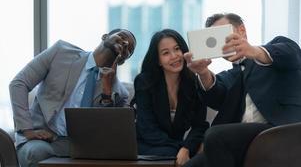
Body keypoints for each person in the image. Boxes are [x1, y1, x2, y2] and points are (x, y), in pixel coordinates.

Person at [183, 13, 301, 167]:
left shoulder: (273, 51)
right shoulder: (232, 75)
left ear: (242, 31)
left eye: (223, 34)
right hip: (240, 141)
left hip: (280, 129)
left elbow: (292, 55)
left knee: (215, 135)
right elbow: (215, 96)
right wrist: (203, 72)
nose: (222, 42)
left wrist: (254, 52)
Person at [9, 29, 136, 167]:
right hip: (43, 139)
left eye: (129, 48)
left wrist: (107, 92)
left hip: (81, 147)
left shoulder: (119, 93)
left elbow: (108, 135)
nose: (125, 43)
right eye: (122, 37)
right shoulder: (60, 52)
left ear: (123, 60)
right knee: (35, 153)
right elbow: (19, 83)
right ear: (105, 37)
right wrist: (27, 130)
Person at [132, 29, 209, 166]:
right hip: (147, 144)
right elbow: (147, 128)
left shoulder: (193, 83)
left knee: (204, 152)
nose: (174, 56)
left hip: (175, 148)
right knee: (192, 155)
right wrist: (182, 148)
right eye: (166, 53)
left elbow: (200, 125)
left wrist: (187, 148)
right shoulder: (144, 82)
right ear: (158, 60)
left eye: (177, 49)